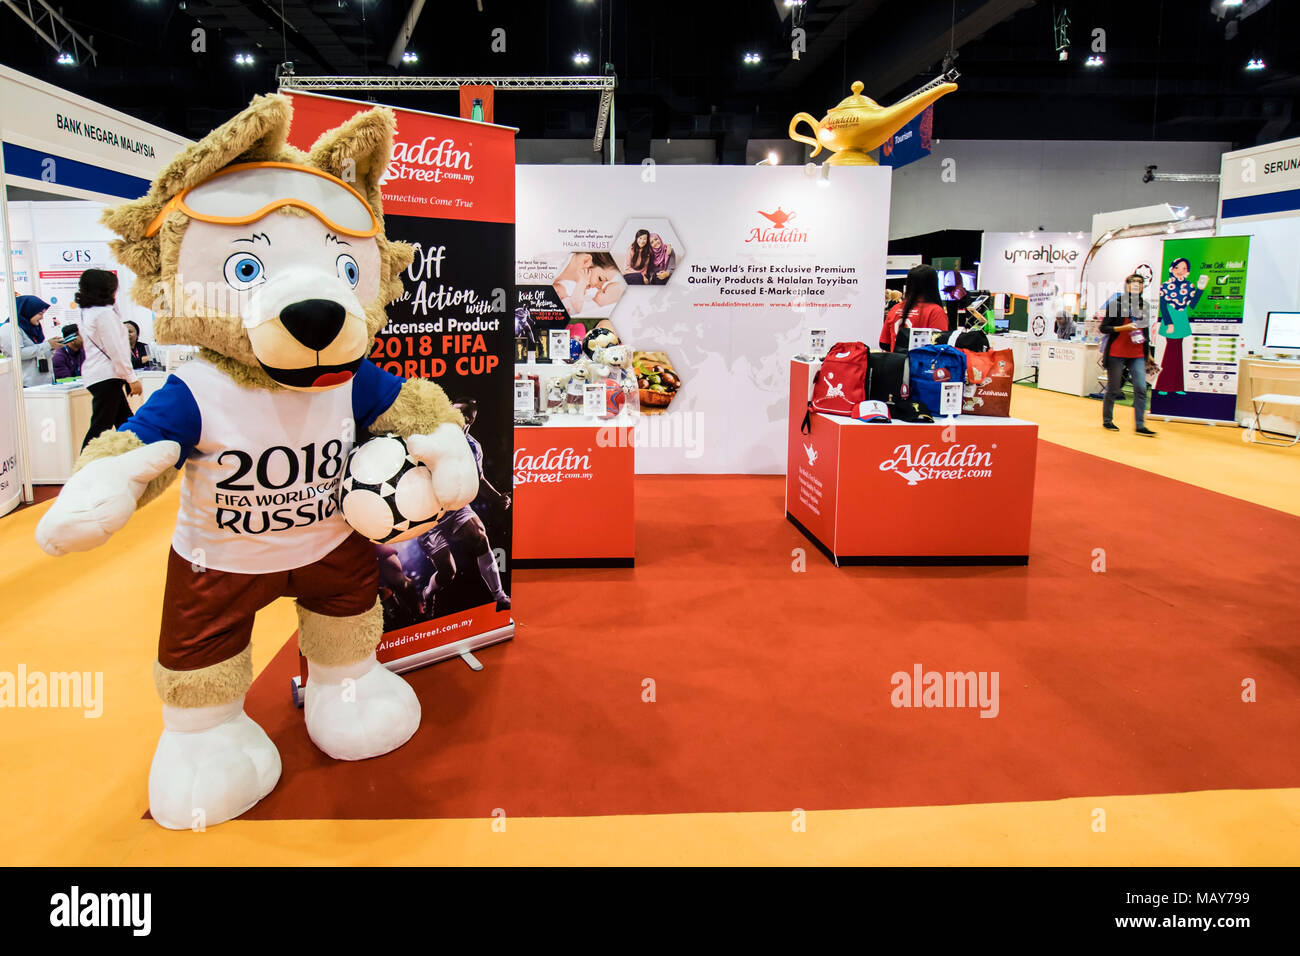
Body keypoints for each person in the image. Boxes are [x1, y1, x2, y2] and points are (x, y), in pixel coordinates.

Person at [416, 398, 512, 615]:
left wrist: (497, 498)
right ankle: (428, 592)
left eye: (461, 413)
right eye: (451, 411)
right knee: (447, 572)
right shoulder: (430, 437)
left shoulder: (473, 446)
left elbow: (479, 479)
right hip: (429, 514)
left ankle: (500, 597)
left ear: (469, 419)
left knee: (480, 536)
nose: (453, 416)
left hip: (457, 507)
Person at [74, 268, 140, 449]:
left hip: (101, 376)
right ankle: (84, 469)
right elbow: (116, 349)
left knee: (126, 423)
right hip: (107, 376)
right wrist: (131, 377)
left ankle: (135, 458)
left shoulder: (89, 312)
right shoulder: (103, 314)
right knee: (100, 428)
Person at [1097, 273, 1156, 436]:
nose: (1137, 285)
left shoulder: (1145, 305)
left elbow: (1144, 330)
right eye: (1133, 282)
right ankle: (1107, 420)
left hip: (1137, 352)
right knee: (1113, 388)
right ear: (1127, 285)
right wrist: (1122, 328)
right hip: (1117, 351)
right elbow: (1104, 328)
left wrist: (1148, 353)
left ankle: (1140, 425)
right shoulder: (1117, 304)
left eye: (1140, 282)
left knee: (1141, 387)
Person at [1155, 257, 1208, 396]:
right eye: (1178, 267)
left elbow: (1192, 304)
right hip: (1171, 319)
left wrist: (1200, 289)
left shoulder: (1189, 286)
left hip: (1182, 318)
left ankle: (1177, 386)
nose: (1180, 271)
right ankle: (1165, 386)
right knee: (1171, 353)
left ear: (1188, 271)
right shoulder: (1165, 285)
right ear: (1172, 269)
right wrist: (1169, 323)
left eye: (1184, 268)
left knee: (1178, 354)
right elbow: (1163, 306)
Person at [881, 264, 948, 352]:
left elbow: (884, 343)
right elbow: (940, 346)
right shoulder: (935, 311)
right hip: (922, 363)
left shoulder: (895, 309)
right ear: (933, 285)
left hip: (897, 362)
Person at [10, 295, 58, 386]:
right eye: (40, 313)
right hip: (25, 386)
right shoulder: (11, 328)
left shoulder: (35, 329)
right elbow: (18, 353)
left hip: (44, 384)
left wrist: (52, 347)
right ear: (28, 311)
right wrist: (48, 345)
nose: (42, 317)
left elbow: (38, 350)